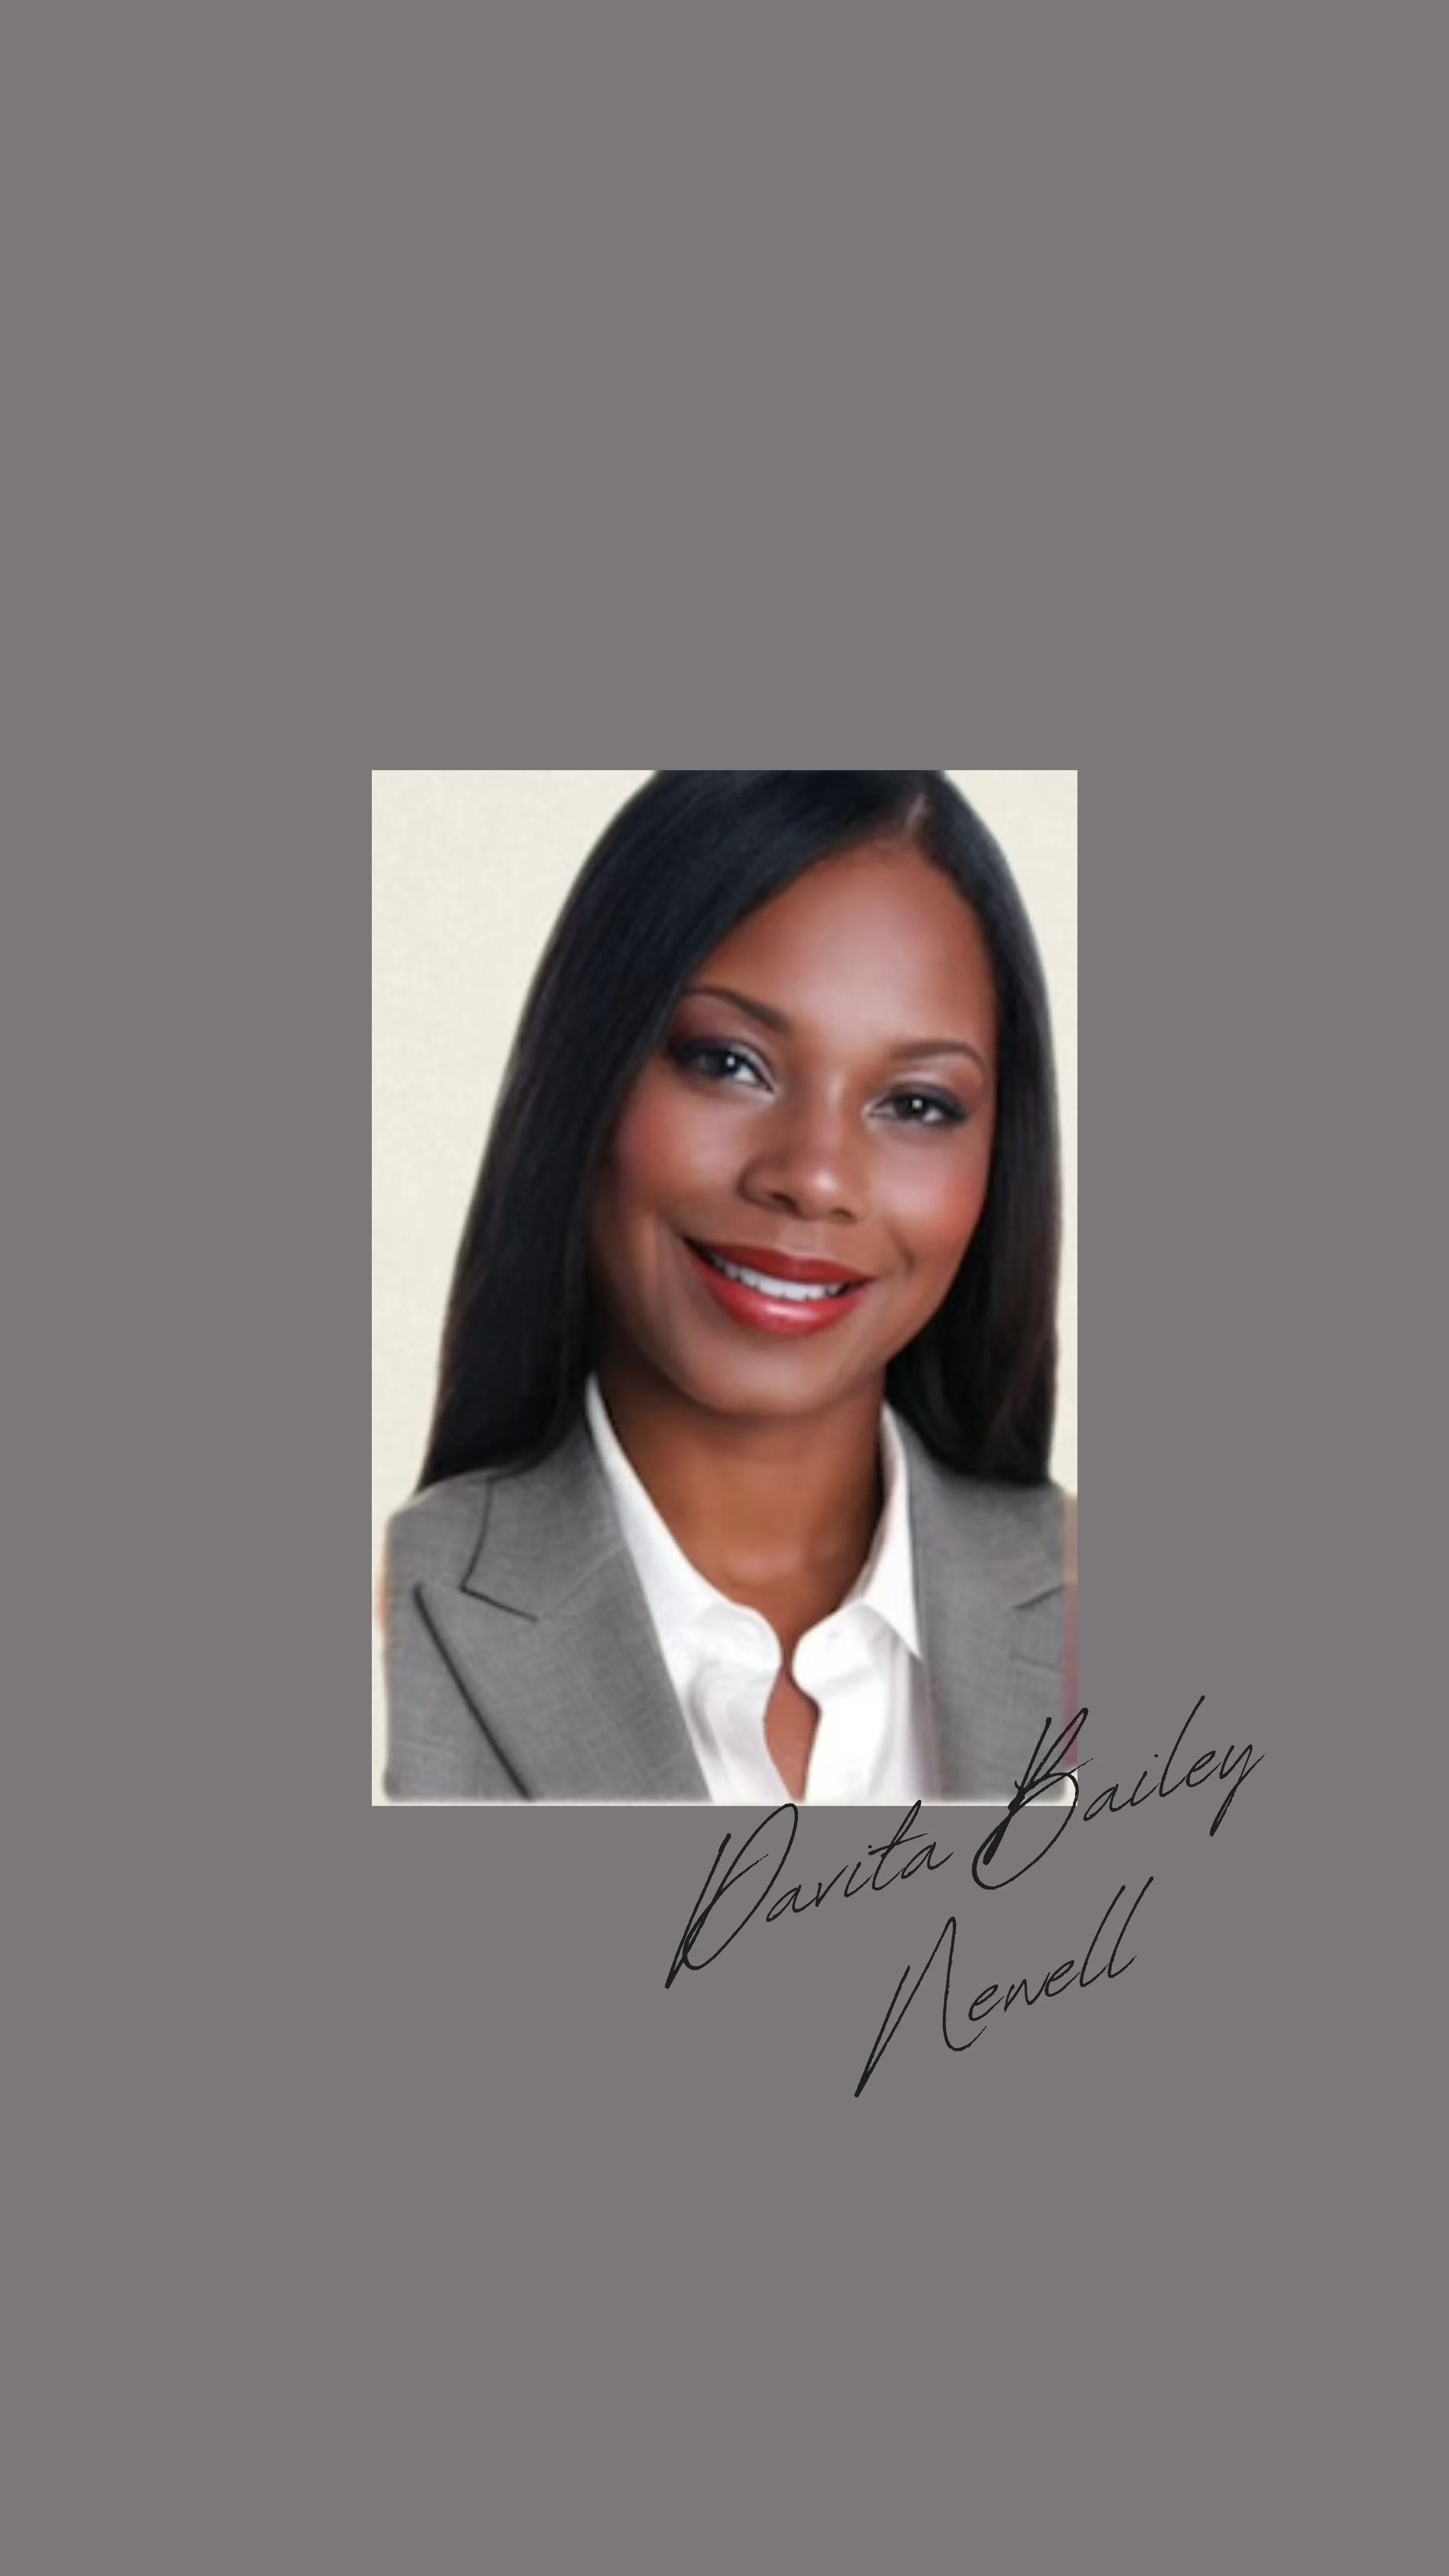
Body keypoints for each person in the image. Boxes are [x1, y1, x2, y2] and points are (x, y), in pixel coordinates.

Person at [383, 771, 1075, 1803]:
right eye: (728, 1062)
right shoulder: (389, 1632)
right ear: (588, 1073)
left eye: (917, 1105)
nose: (815, 1177)